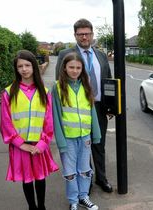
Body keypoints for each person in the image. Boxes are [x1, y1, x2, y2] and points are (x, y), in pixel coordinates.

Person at [56, 18, 113, 193]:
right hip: (76, 110)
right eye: (80, 34)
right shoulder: (65, 54)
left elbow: (108, 82)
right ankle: (85, 182)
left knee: (99, 144)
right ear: (75, 35)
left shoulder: (101, 55)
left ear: (92, 34)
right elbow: (60, 82)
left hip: (98, 108)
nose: (84, 37)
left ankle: (101, 179)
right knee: (82, 147)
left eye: (87, 33)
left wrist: (111, 106)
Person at [0, 50, 59, 210]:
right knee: (27, 179)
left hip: (39, 145)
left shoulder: (44, 92)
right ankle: (32, 207)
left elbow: (49, 122)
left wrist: (42, 143)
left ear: (34, 66)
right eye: (20, 66)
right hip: (20, 146)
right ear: (16, 69)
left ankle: (42, 207)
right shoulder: (9, 93)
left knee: (40, 178)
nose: (24, 69)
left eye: (27, 65)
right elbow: (5, 123)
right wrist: (20, 143)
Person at [52, 52, 101, 210]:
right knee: (70, 172)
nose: (75, 70)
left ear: (82, 69)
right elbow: (56, 116)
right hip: (68, 138)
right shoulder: (58, 87)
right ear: (64, 68)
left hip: (85, 136)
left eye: (78, 68)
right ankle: (73, 200)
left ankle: (83, 197)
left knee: (85, 170)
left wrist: (96, 134)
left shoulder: (86, 86)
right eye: (71, 67)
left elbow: (92, 111)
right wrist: (60, 141)